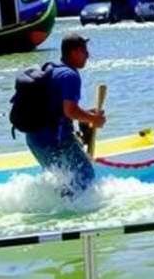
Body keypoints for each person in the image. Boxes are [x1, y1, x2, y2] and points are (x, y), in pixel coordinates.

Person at [25, 33, 105, 196]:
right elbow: (70, 111)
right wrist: (94, 119)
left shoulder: (52, 69)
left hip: (35, 140)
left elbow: (59, 109)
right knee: (85, 177)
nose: (88, 55)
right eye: (84, 51)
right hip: (55, 141)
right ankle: (74, 215)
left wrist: (87, 114)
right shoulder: (70, 76)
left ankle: (57, 213)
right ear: (74, 52)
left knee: (66, 181)